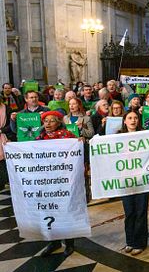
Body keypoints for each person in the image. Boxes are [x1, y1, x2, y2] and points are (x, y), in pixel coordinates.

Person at [37, 110, 78, 257]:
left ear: (59, 122)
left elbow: (76, 153)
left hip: (64, 179)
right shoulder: (40, 137)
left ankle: (69, 243)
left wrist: (79, 143)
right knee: (50, 210)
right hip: (47, 181)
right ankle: (53, 242)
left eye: (51, 121)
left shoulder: (67, 136)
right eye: (45, 121)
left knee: (65, 210)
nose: (47, 124)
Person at [118, 110, 149, 255]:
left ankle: (140, 243)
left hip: (142, 180)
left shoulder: (145, 135)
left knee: (141, 211)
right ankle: (129, 241)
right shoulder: (117, 137)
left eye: (136, 118)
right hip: (126, 180)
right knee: (129, 212)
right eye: (129, 118)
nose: (133, 120)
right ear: (124, 121)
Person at [0, 95, 15, 190]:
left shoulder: (6, 108)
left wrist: (1, 131)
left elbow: (11, 126)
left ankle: (2, 182)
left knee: (3, 163)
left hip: (4, 137)